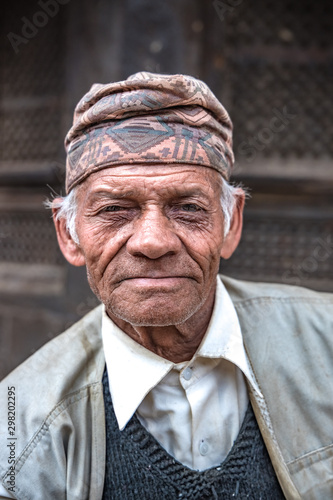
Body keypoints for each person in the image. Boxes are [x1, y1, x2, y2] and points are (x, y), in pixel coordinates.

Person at [0, 72, 332, 500]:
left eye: (188, 208)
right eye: (116, 210)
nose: (153, 241)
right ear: (69, 235)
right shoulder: (18, 423)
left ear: (231, 225)